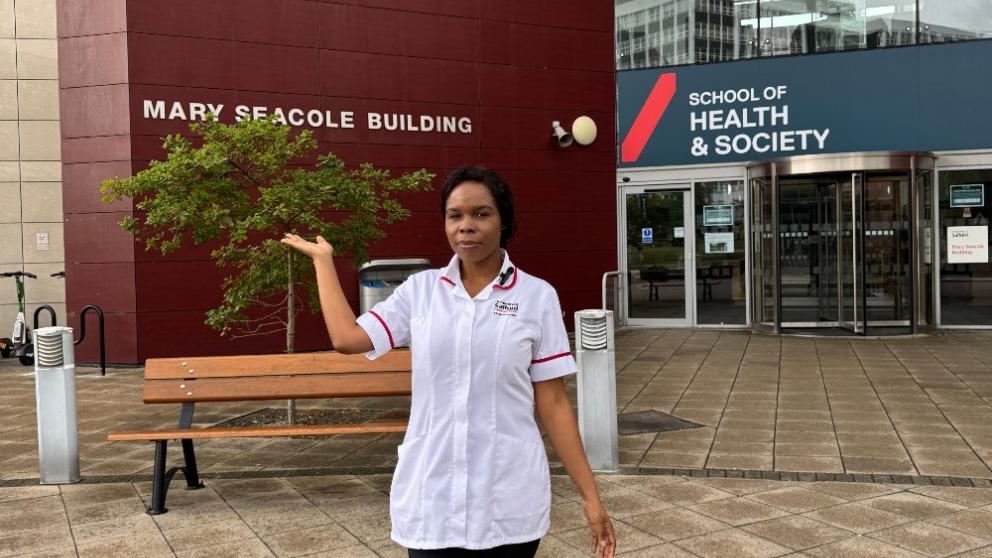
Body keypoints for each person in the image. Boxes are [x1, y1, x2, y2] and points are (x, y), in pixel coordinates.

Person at [282, 166, 616, 558]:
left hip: (508, 496)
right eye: (455, 215)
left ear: (504, 221)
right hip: (433, 495)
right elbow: (346, 339)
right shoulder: (420, 292)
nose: (466, 226)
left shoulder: (536, 296)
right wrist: (324, 262)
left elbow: (554, 403)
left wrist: (590, 496)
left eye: (481, 214)